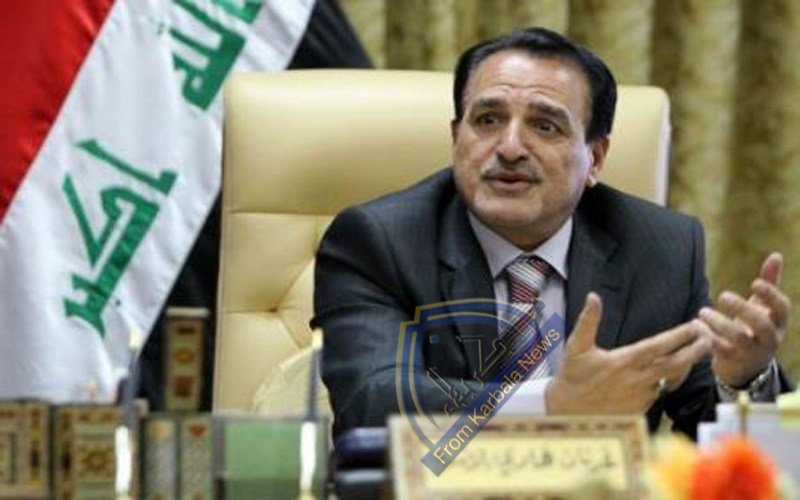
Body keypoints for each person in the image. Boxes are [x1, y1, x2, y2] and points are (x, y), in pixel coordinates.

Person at [311, 27, 793, 439]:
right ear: (456, 138)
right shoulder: (378, 241)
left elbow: (707, 433)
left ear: (595, 159)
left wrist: (743, 379)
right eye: (488, 120)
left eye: (544, 126)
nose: (510, 148)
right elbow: (373, 401)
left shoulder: (661, 248)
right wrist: (552, 403)